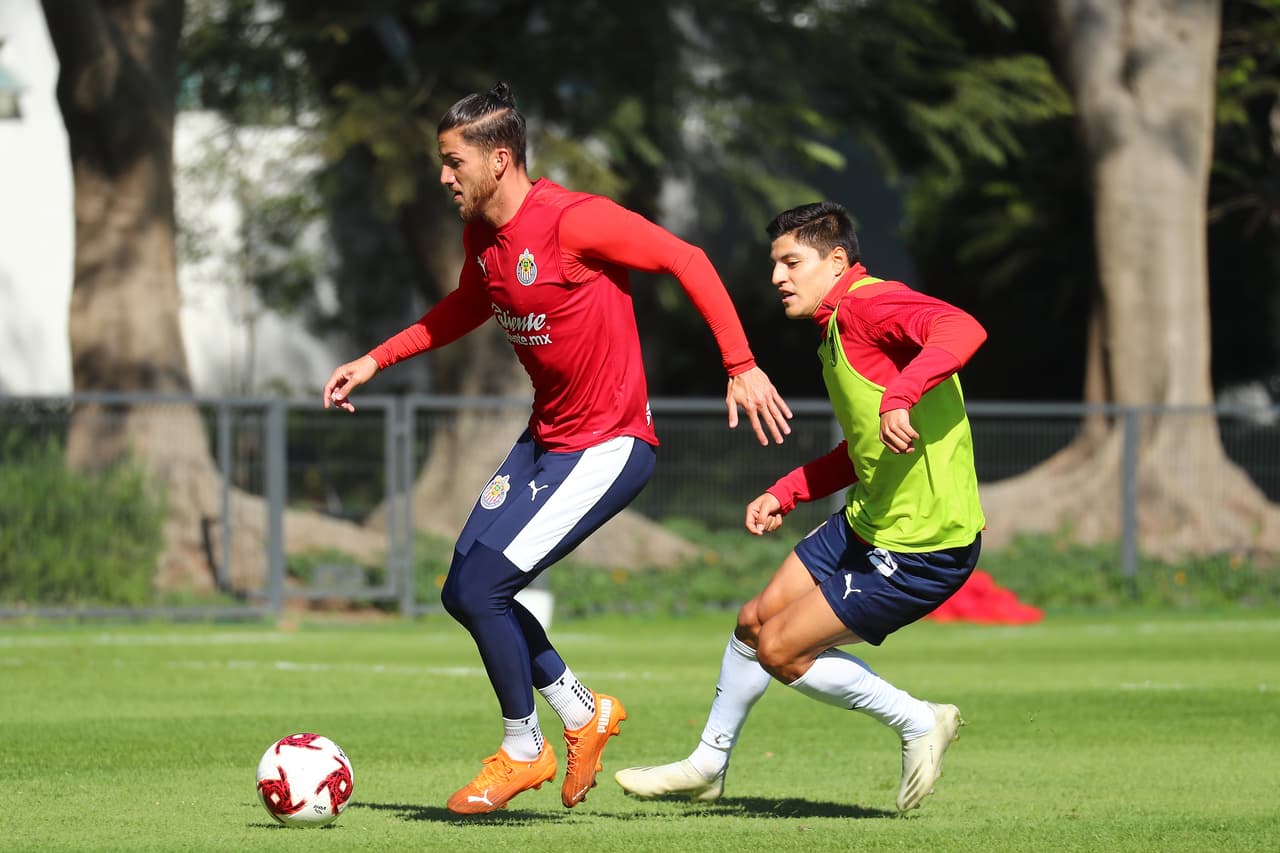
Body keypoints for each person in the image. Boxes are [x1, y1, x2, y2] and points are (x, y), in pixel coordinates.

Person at [321, 82, 792, 815]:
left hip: (608, 446)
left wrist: (740, 364)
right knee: (463, 591)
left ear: (499, 159)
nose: (443, 177)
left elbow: (689, 259)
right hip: (545, 442)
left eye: (453, 162)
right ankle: (581, 713)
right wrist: (376, 360)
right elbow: (465, 306)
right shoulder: (483, 234)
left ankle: (523, 748)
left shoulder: (576, 220)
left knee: (485, 590)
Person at [614, 201, 986, 813]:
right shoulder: (836, 330)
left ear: (836, 261)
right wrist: (787, 490)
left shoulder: (871, 303)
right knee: (753, 620)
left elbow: (962, 328)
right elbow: (867, 448)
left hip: (925, 544)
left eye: (792, 262)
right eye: (774, 264)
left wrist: (902, 392)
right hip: (869, 519)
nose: (777, 277)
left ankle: (919, 721)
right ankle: (708, 765)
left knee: (781, 650)